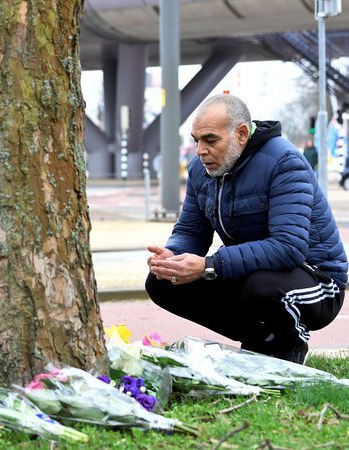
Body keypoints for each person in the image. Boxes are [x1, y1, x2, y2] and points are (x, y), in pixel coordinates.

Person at [145, 94, 347, 364]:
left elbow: (289, 248)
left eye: (210, 140)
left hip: (317, 281)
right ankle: (261, 340)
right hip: (251, 273)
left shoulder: (285, 162)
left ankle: (290, 345)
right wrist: (174, 257)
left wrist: (208, 265)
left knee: (261, 286)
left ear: (241, 134)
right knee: (162, 284)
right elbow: (191, 232)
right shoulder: (200, 169)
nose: (200, 150)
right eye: (196, 140)